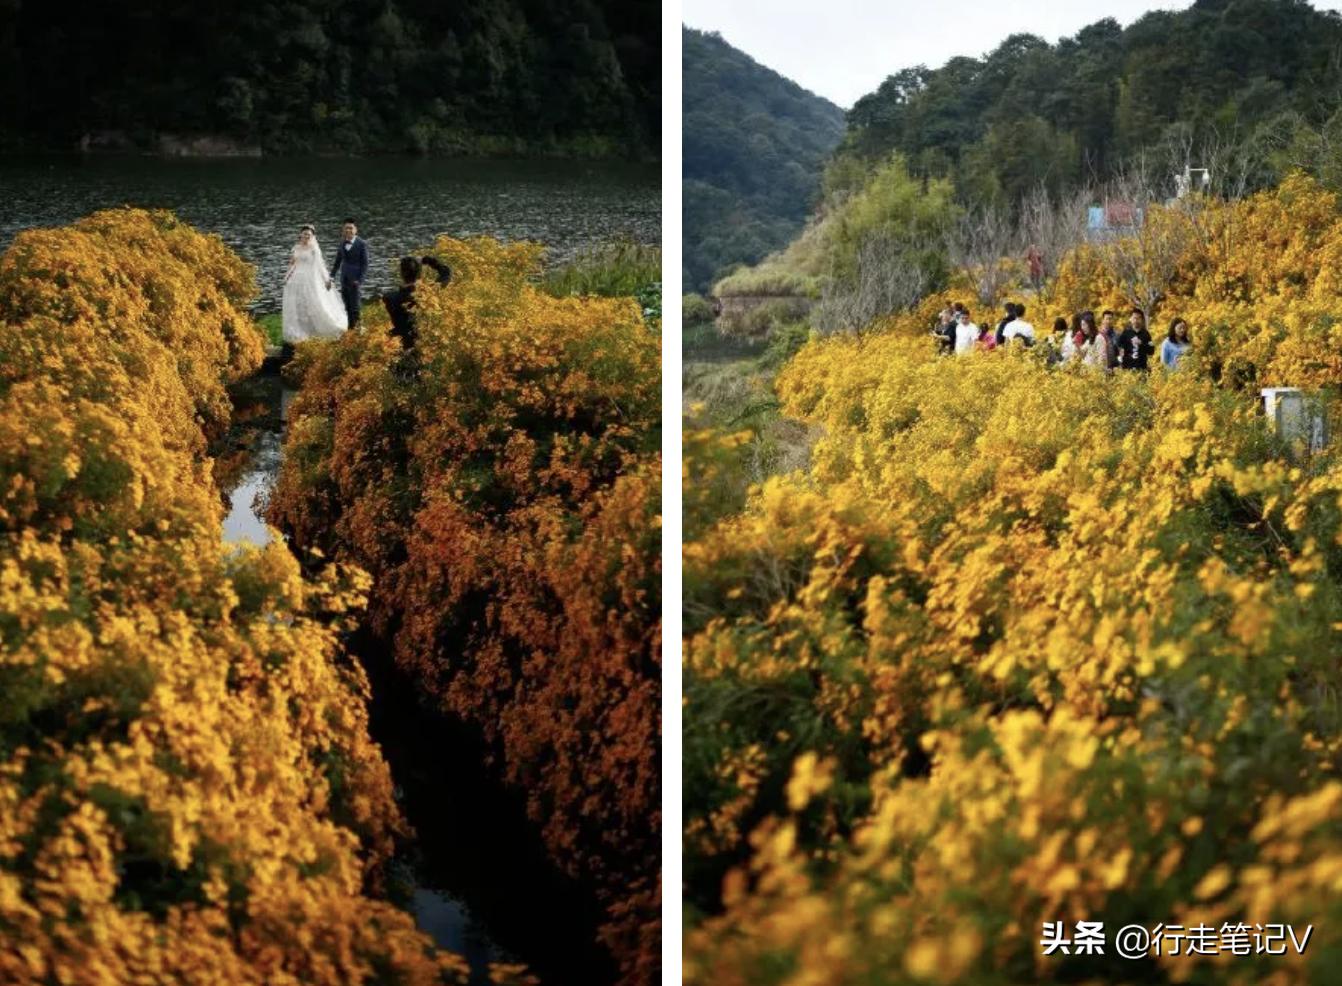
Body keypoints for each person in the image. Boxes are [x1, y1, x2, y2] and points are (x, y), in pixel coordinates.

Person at [281, 224, 347, 346]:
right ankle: (301, 330)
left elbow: (320, 266)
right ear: (300, 235)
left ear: (312, 236)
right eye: (304, 234)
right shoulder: (296, 248)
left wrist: (326, 279)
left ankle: (324, 328)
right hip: (297, 279)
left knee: (314, 303)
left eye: (309, 235)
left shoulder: (314, 249)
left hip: (310, 279)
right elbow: (292, 264)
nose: (306, 236)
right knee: (299, 305)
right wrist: (286, 277)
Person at [329, 218, 369, 329]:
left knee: (355, 308)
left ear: (355, 230)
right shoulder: (342, 243)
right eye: (346, 228)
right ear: (343, 230)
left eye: (351, 228)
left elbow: (365, 264)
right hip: (344, 279)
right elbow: (337, 262)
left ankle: (358, 331)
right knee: (347, 307)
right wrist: (331, 277)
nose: (348, 230)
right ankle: (350, 331)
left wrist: (359, 280)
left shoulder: (362, 244)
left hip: (355, 281)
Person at [382, 256, 422, 350]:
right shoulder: (425, 296)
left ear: (401, 273)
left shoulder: (389, 297)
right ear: (419, 274)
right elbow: (446, 275)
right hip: (420, 342)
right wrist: (432, 262)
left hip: (398, 341)